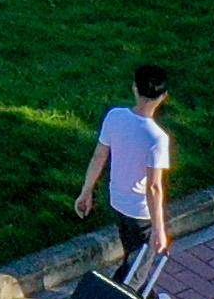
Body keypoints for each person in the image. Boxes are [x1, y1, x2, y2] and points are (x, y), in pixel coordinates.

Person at [75, 65, 175, 280]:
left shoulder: (115, 117)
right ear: (163, 96)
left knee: (133, 253)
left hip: (117, 201)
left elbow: (99, 157)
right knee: (136, 270)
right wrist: (159, 229)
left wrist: (86, 192)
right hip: (141, 212)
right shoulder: (157, 139)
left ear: (134, 88)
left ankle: (149, 297)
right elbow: (154, 187)